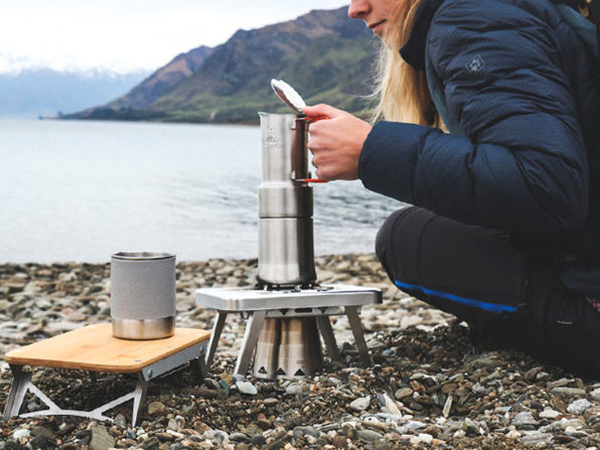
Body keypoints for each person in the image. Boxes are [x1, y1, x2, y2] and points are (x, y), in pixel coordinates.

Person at [304, 0, 600, 374]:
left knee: (404, 239)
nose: (355, 9)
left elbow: (546, 185)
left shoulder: (473, 16)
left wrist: (370, 151)